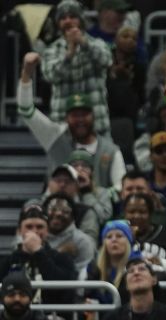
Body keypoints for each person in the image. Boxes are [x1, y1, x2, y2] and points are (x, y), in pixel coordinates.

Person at [18, 52, 127, 192]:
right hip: (58, 208)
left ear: (93, 116)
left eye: (84, 114)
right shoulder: (55, 137)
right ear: (66, 118)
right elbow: (26, 110)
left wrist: (96, 191)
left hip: (99, 211)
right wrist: (26, 73)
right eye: (75, 115)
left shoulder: (110, 150)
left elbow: (121, 188)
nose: (80, 120)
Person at [41, 0, 112, 135]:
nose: (68, 21)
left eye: (72, 17)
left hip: (97, 125)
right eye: (63, 18)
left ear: (81, 21)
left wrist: (84, 44)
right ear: (58, 23)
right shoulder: (51, 50)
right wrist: (69, 54)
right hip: (63, 128)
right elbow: (50, 76)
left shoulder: (97, 44)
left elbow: (107, 61)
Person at [0, 204, 77, 305]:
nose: (34, 231)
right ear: (19, 231)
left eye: (40, 227)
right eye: (29, 227)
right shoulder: (7, 262)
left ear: (47, 230)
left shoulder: (62, 259)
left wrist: (38, 252)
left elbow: (62, 291)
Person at [102, 257, 166, 320]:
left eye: (142, 269)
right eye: (131, 271)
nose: (136, 273)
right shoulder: (113, 318)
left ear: (154, 280)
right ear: (126, 284)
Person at [44, 192, 96, 275]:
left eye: (65, 211)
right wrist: (58, 253)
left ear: (72, 217)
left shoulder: (82, 241)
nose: (58, 214)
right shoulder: (37, 237)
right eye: (53, 209)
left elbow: (82, 276)